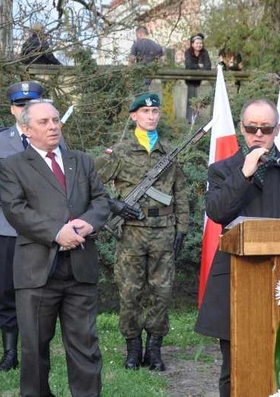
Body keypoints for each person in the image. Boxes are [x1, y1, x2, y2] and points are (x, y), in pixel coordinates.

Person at [195, 99, 280, 397]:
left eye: (265, 128)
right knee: (235, 367)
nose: (258, 134)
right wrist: (244, 174)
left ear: (277, 130)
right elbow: (217, 213)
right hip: (235, 283)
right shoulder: (222, 170)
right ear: (242, 128)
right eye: (252, 128)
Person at [0, 100, 110, 397]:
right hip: (36, 272)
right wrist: (56, 232)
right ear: (26, 129)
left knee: (86, 347)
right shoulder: (13, 167)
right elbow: (15, 210)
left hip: (80, 269)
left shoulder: (82, 161)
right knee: (34, 349)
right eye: (44, 122)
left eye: (56, 120)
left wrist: (88, 223)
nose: (53, 126)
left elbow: (101, 200)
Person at [96, 92, 189, 372]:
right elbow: (92, 183)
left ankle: (155, 349)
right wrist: (114, 205)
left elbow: (181, 193)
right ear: (134, 116)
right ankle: (133, 349)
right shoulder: (120, 151)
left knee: (161, 292)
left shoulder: (168, 152)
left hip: (163, 231)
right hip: (131, 233)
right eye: (145, 112)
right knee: (130, 291)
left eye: (155, 112)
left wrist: (182, 227)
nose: (151, 116)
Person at [0, 81, 53, 373]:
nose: (24, 110)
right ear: (12, 109)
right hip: (6, 227)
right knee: (6, 291)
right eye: (19, 106)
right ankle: (9, 353)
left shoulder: (52, 138)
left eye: (31, 104)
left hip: (42, 226)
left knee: (42, 289)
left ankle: (36, 350)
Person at [184, 33, 212, 117]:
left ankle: (199, 118)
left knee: (201, 99)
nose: (199, 45)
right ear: (192, 44)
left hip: (201, 79)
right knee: (191, 98)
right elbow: (188, 65)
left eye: (200, 43)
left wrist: (198, 67)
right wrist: (199, 66)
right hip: (190, 79)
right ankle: (190, 118)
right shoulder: (188, 52)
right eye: (197, 43)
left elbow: (208, 66)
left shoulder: (204, 52)